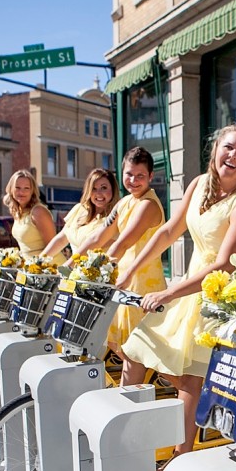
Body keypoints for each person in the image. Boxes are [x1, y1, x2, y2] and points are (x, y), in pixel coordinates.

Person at [119, 124, 236, 458]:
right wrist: (128, 270)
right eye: (228, 147)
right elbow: (167, 232)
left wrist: (170, 293)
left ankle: (180, 460)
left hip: (220, 298)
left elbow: (224, 266)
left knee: (190, 381)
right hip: (190, 288)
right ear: (216, 147)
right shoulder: (199, 184)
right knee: (135, 350)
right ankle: (123, 441)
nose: (232, 156)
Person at [77, 147, 167, 378]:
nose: (134, 181)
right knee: (124, 349)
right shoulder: (124, 203)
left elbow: (124, 243)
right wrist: (73, 261)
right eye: (129, 174)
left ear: (150, 177)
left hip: (142, 285)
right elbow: (99, 237)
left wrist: (94, 272)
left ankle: (133, 399)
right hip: (123, 282)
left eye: (140, 176)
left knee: (136, 350)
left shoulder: (148, 204)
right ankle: (129, 396)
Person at [40, 168, 120, 259]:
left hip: (98, 271)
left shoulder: (116, 217)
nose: (98, 193)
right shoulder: (79, 209)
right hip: (74, 269)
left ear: (113, 190)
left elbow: (93, 246)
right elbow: (61, 239)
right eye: (93, 188)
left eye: (104, 188)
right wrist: (40, 260)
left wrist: (68, 266)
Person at [3, 169, 64, 263]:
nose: (21, 192)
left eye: (26, 188)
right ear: (11, 189)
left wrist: (37, 265)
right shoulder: (18, 212)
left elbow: (53, 246)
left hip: (49, 267)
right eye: (17, 188)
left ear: (32, 191)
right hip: (31, 269)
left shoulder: (38, 211)